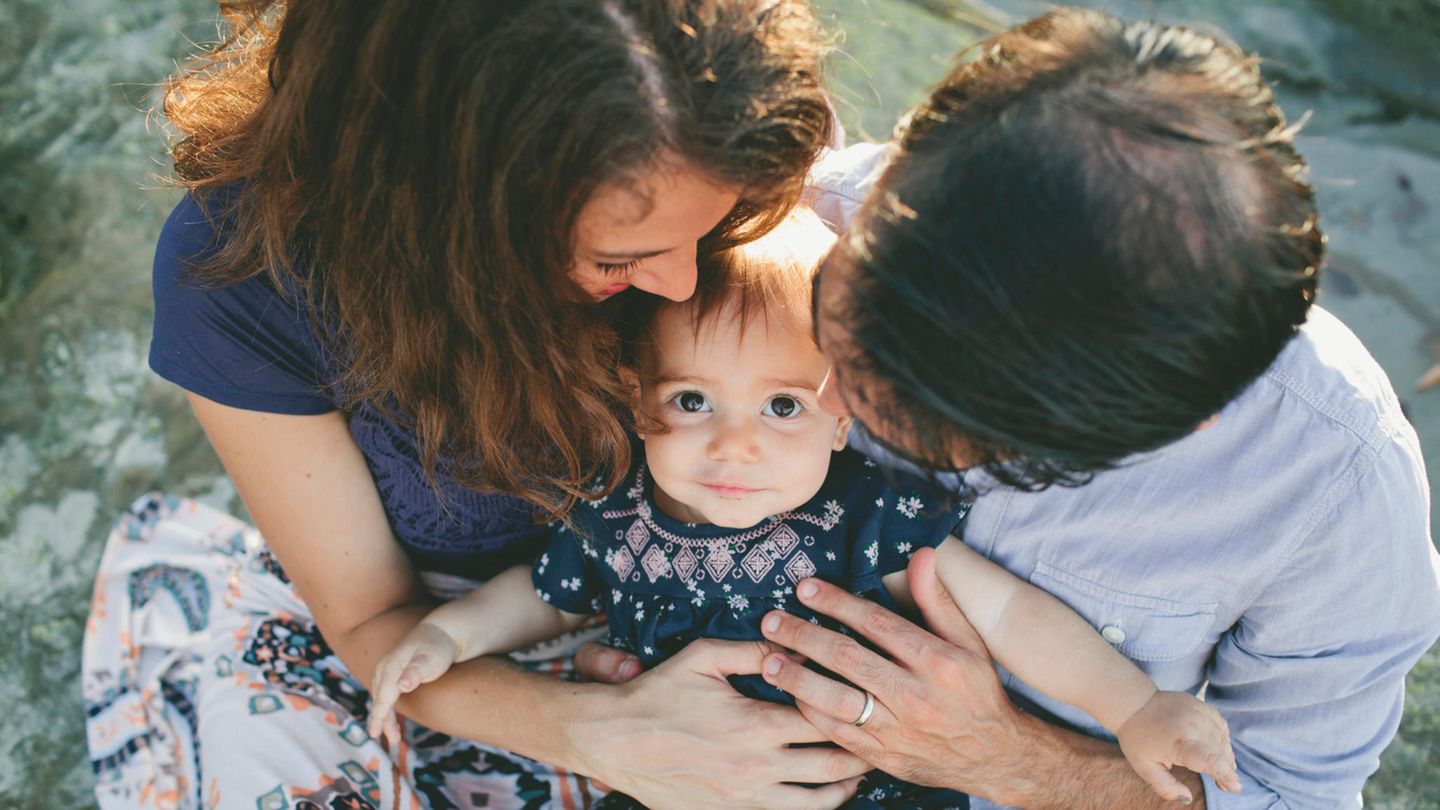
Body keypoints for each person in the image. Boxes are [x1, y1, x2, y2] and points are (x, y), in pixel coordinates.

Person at [582, 8, 1440, 809]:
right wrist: (595, 723)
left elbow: (1294, 796)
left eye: (911, 413)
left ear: (1169, 426)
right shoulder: (775, 232)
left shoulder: (1335, 484)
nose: (826, 402)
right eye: (831, 324)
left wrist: (1016, 762)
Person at [81, 2, 879, 808]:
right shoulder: (246, 274)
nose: (681, 284)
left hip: (711, 608)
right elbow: (372, 621)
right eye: (617, 257)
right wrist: (603, 729)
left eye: (710, 230)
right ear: (449, 213)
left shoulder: (725, 130)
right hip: (453, 646)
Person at [364, 210, 1243, 807]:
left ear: (841, 420)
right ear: (636, 397)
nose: (734, 446)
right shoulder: (616, 510)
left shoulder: (868, 513)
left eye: (782, 407)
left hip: (861, 792)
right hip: (673, 785)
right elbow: (548, 591)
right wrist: (452, 636)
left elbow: (1010, 613)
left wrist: (1135, 710)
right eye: (693, 401)